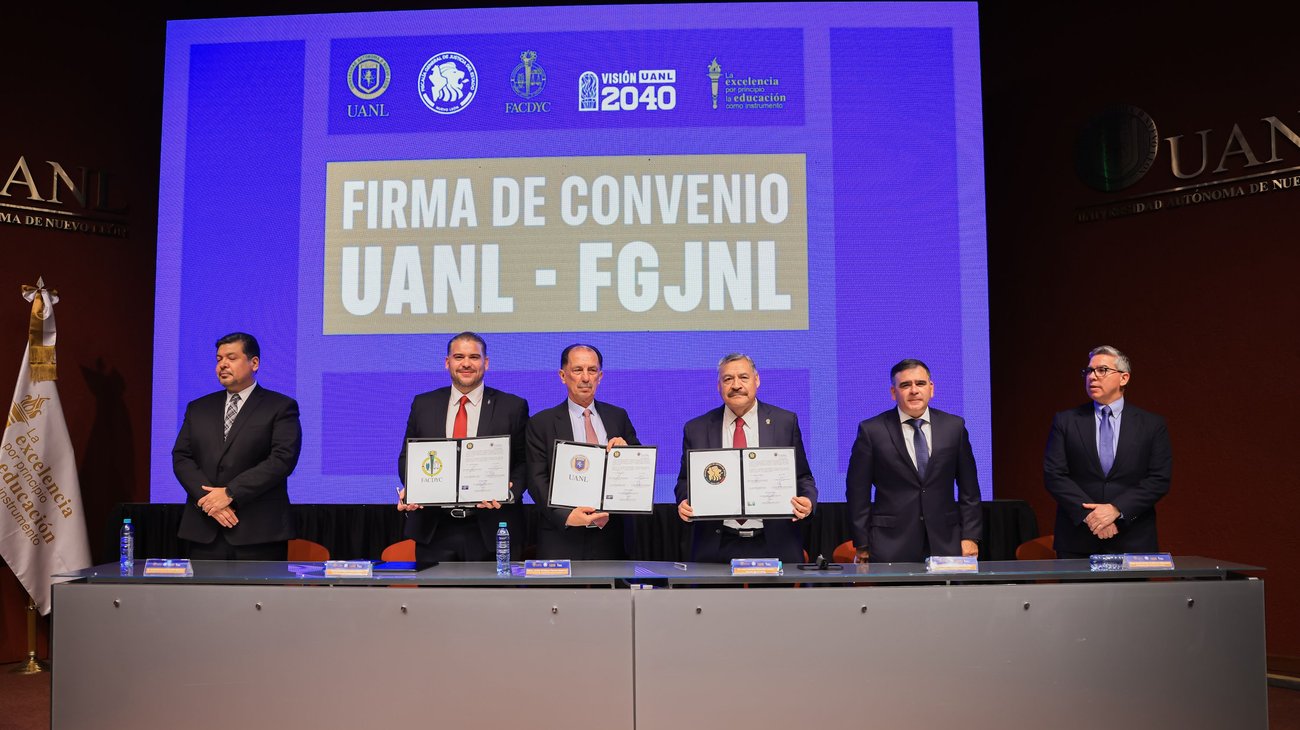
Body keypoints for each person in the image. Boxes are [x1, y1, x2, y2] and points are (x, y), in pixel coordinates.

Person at [397, 332, 528, 562]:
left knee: (493, 599)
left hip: (492, 529)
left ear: (485, 363)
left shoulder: (512, 406)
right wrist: (413, 487)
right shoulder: (423, 404)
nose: (466, 363)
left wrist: (508, 492)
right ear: (448, 362)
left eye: (474, 357)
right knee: (435, 599)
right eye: (459, 357)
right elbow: (407, 458)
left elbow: (524, 462)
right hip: (434, 530)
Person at [674, 354, 816, 563]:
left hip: (773, 542)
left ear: (756, 380)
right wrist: (684, 501)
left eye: (743, 377)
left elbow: (803, 477)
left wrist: (808, 501)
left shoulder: (784, 422)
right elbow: (684, 481)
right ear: (719, 386)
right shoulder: (696, 428)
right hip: (716, 544)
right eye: (728, 379)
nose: (736, 385)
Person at [173, 332, 302, 560]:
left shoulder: (280, 407)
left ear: (254, 363)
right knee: (206, 596)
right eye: (219, 359)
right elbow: (182, 457)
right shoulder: (198, 408)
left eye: (231, 358)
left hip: (258, 532)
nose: (222, 365)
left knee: (258, 597)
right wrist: (210, 502)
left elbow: (282, 459)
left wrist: (231, 493)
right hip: (205, 528)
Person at [845, 358, 982, 563]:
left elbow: (969, 490)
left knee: (946, 596)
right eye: (905, 385)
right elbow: (858, 492)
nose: (914, 390)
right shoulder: (872, 430)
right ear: (894, 393)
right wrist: (862, 543)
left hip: (947, 542)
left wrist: (970, 536)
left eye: (920, 383)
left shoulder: (954, 427)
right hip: (890, 543)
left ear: (931, 388)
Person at [1043, 345, 1171, 558]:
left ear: (1124, 378)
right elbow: (1054, 475)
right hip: (1077, 540)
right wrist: (1092, 517)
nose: (1092, 377)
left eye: (1101, 370)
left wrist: (1115, 510)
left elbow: (1158, 479)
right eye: (1089, 371)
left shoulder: (1152, 424)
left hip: (1133, 538)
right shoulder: (1066, 421)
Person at [525, 344, 640, 560]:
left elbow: (638, 470)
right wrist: (567, 516)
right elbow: (536, 480)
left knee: (611, 594)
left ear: (600, 376)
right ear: (563, 375)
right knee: (561, 595)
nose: (586, 378)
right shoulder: (542, 423)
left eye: (592, 370)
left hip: (611, 536)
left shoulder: (618, 416)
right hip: (562, 535)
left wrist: (628, 455)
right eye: (578, 370)